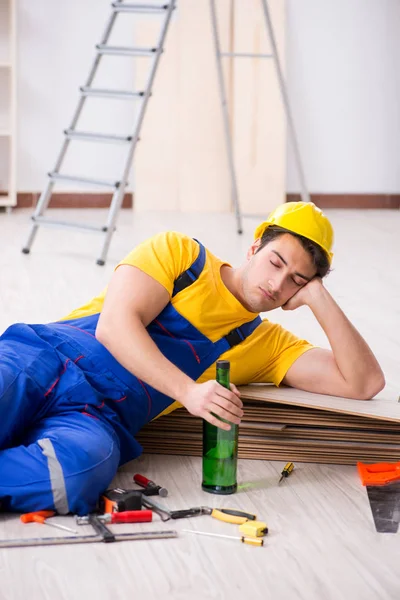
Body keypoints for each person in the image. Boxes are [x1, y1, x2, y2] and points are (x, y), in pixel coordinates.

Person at [0, 202, 384, 515]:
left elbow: (364, 383)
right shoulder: (181, 255)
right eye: (276, 263)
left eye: (297, 281)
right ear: (254, 248)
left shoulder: (268, 344)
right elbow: (115, 327)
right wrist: (189, 392)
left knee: (80, 473)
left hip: (94, 418)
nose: (277, 285)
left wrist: (319, 297)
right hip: (42, 359)